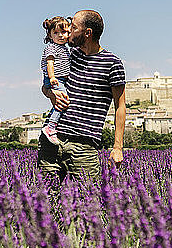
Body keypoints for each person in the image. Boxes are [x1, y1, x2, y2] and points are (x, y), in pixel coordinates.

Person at [40, 10, 126, 180]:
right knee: (44, 201)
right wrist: (51, 94)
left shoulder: (112, 64)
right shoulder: (70, 56)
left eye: (73, 27)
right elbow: (45, 87)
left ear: (87, 33)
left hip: (84, 147)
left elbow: (120, 106)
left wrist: (118, 148)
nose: (68, 31)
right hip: (52, 140)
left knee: (87, 202)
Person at [40, 16, 71, 145]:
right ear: (50, 35)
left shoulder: (64, 48)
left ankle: (52, 123)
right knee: (63, 99)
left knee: (60, 101)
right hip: (55, 78)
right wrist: (52, 77)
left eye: (63, 32)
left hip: (59, 79)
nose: (60, 36)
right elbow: (50, 63)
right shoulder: (52, 47)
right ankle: (51, 126)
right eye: (56, 33)